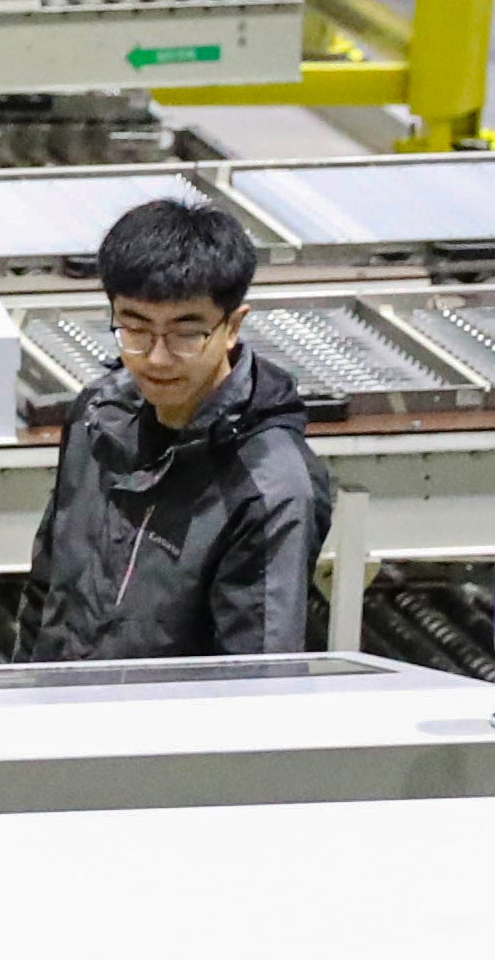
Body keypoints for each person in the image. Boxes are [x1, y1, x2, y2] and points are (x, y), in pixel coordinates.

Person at [17, 194, 333, 661]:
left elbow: (258, 679)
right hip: (61, 718)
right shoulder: (96, 419)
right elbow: (45, 594)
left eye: (187, 333)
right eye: (136, 328)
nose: (157, 357)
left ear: (232, 327)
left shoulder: (270, 486)